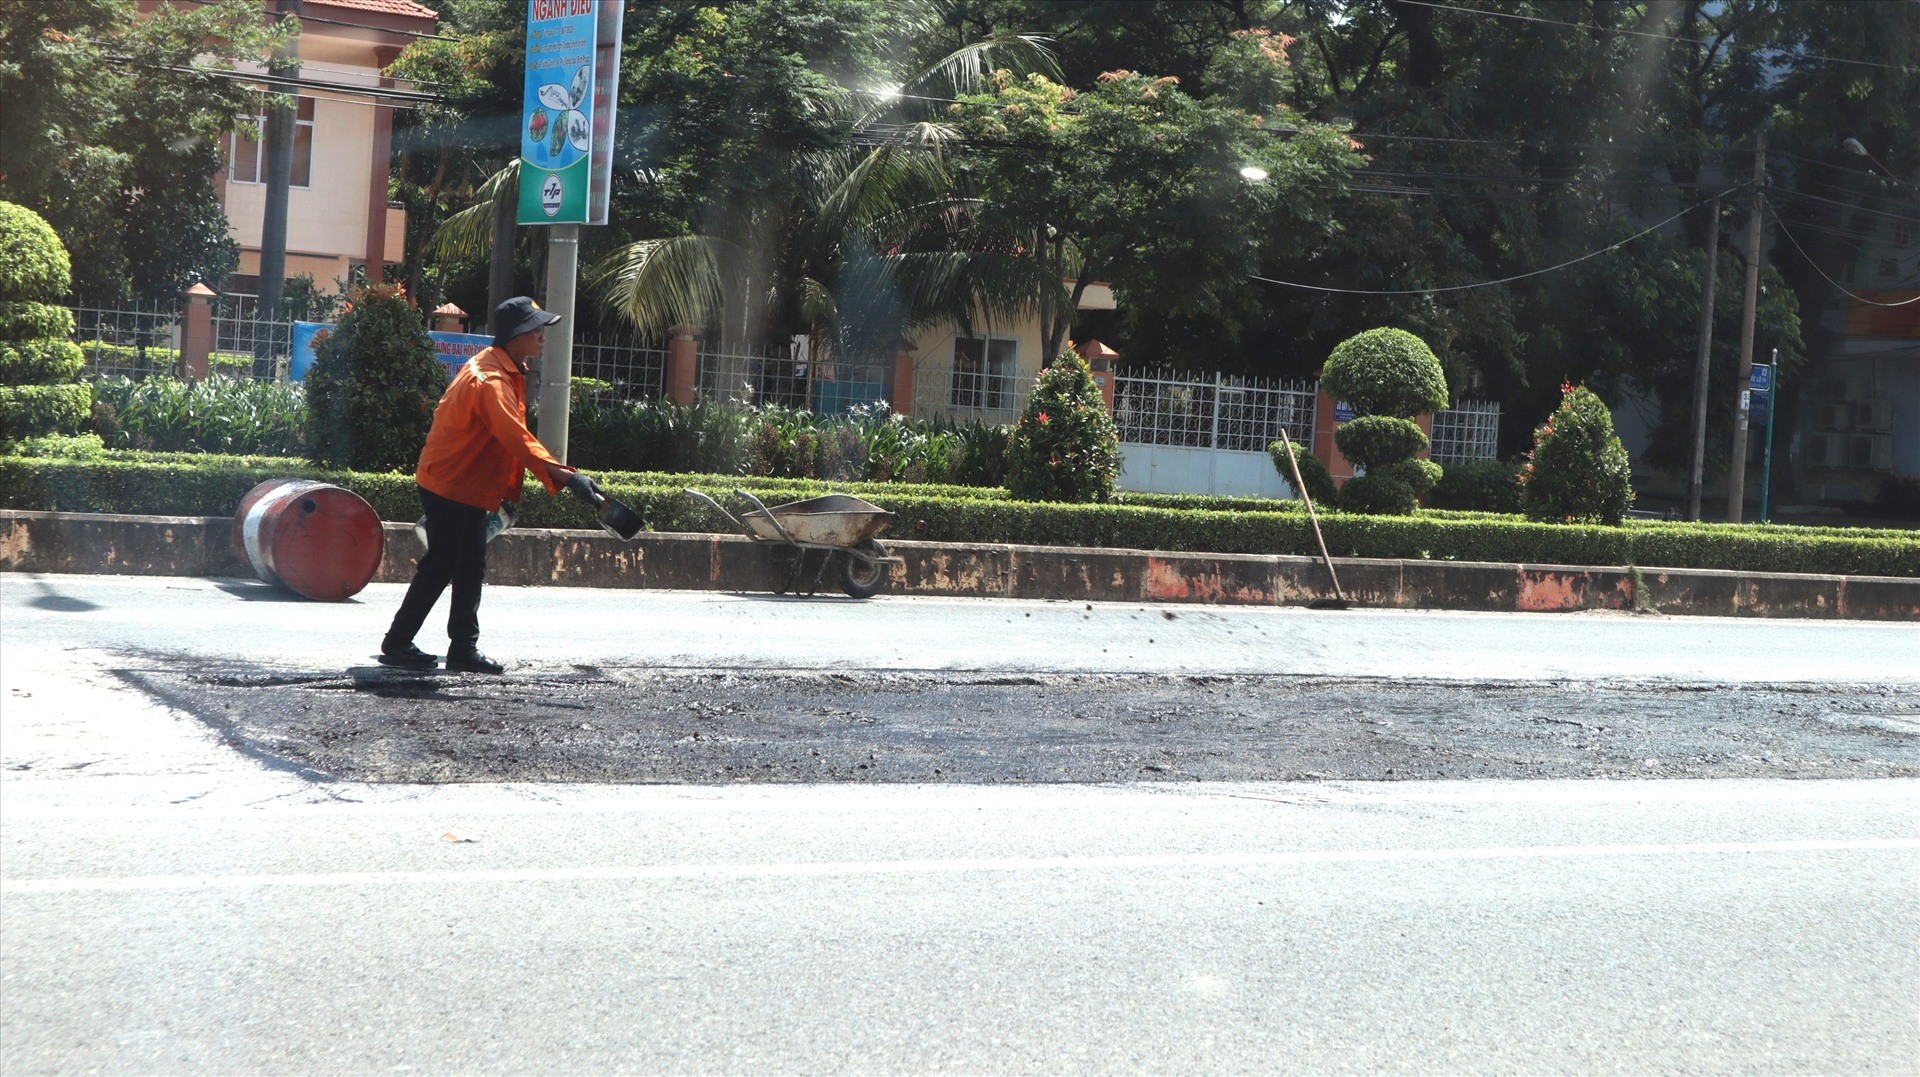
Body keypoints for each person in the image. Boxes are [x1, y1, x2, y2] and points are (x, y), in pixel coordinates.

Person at [378, 296, 597, 673]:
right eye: (536, 330)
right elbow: (516, 436)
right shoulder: (490, 379)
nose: (542, 337)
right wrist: (567, 476)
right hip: (450, 483)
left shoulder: (503, 367)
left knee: (470, 565)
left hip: (466, 483)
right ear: (515, 336)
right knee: (443, 565)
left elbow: (511, 439)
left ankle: (463, 648)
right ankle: (397, 642)